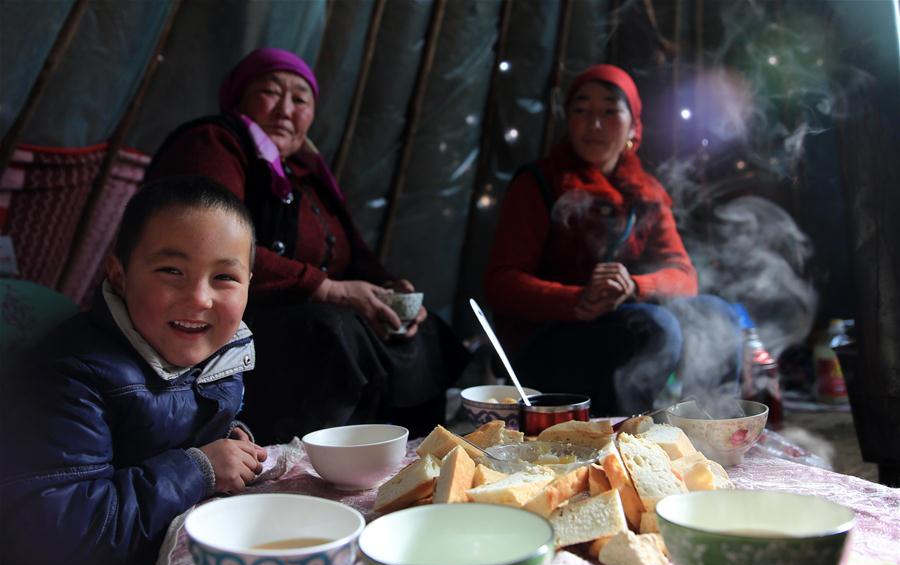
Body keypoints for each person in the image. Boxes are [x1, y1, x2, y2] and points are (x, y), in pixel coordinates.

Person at [145, 48, 469, 443]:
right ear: (239, 99)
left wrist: (393, 290)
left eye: (300, 99)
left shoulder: (308, 174)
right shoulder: (215, 142)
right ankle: (305, 458)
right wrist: (328, 288)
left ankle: (414, 451)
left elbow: (355, 255)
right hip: (234, 315)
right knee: (332, 329)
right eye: (269, 92)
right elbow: (210, 248)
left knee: (424, 327)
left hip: (302, 310)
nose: (285, 109)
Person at [0, 177, 267, 565]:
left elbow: (188, 421)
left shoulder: (216, 353)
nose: (199, 298)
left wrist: (230, 440)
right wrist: (198, 469)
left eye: (224, 277)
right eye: (171, 271)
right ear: (119, 276)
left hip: (154, 548)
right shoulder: (73, 374)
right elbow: (50, 531)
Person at [485, 64, 741, 415]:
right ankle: (625, 442)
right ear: (568, 121)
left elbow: (684, 275)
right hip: (548, 341)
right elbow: (502, 283)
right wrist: (577, 300)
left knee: (719, 315)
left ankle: (709, 436)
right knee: (653, 326)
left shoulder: (646, 192)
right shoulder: (539, 183)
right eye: (581, 110)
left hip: (626, 325)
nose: (594, 124)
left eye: (609, 111)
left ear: (634, 126)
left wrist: (634, 286)